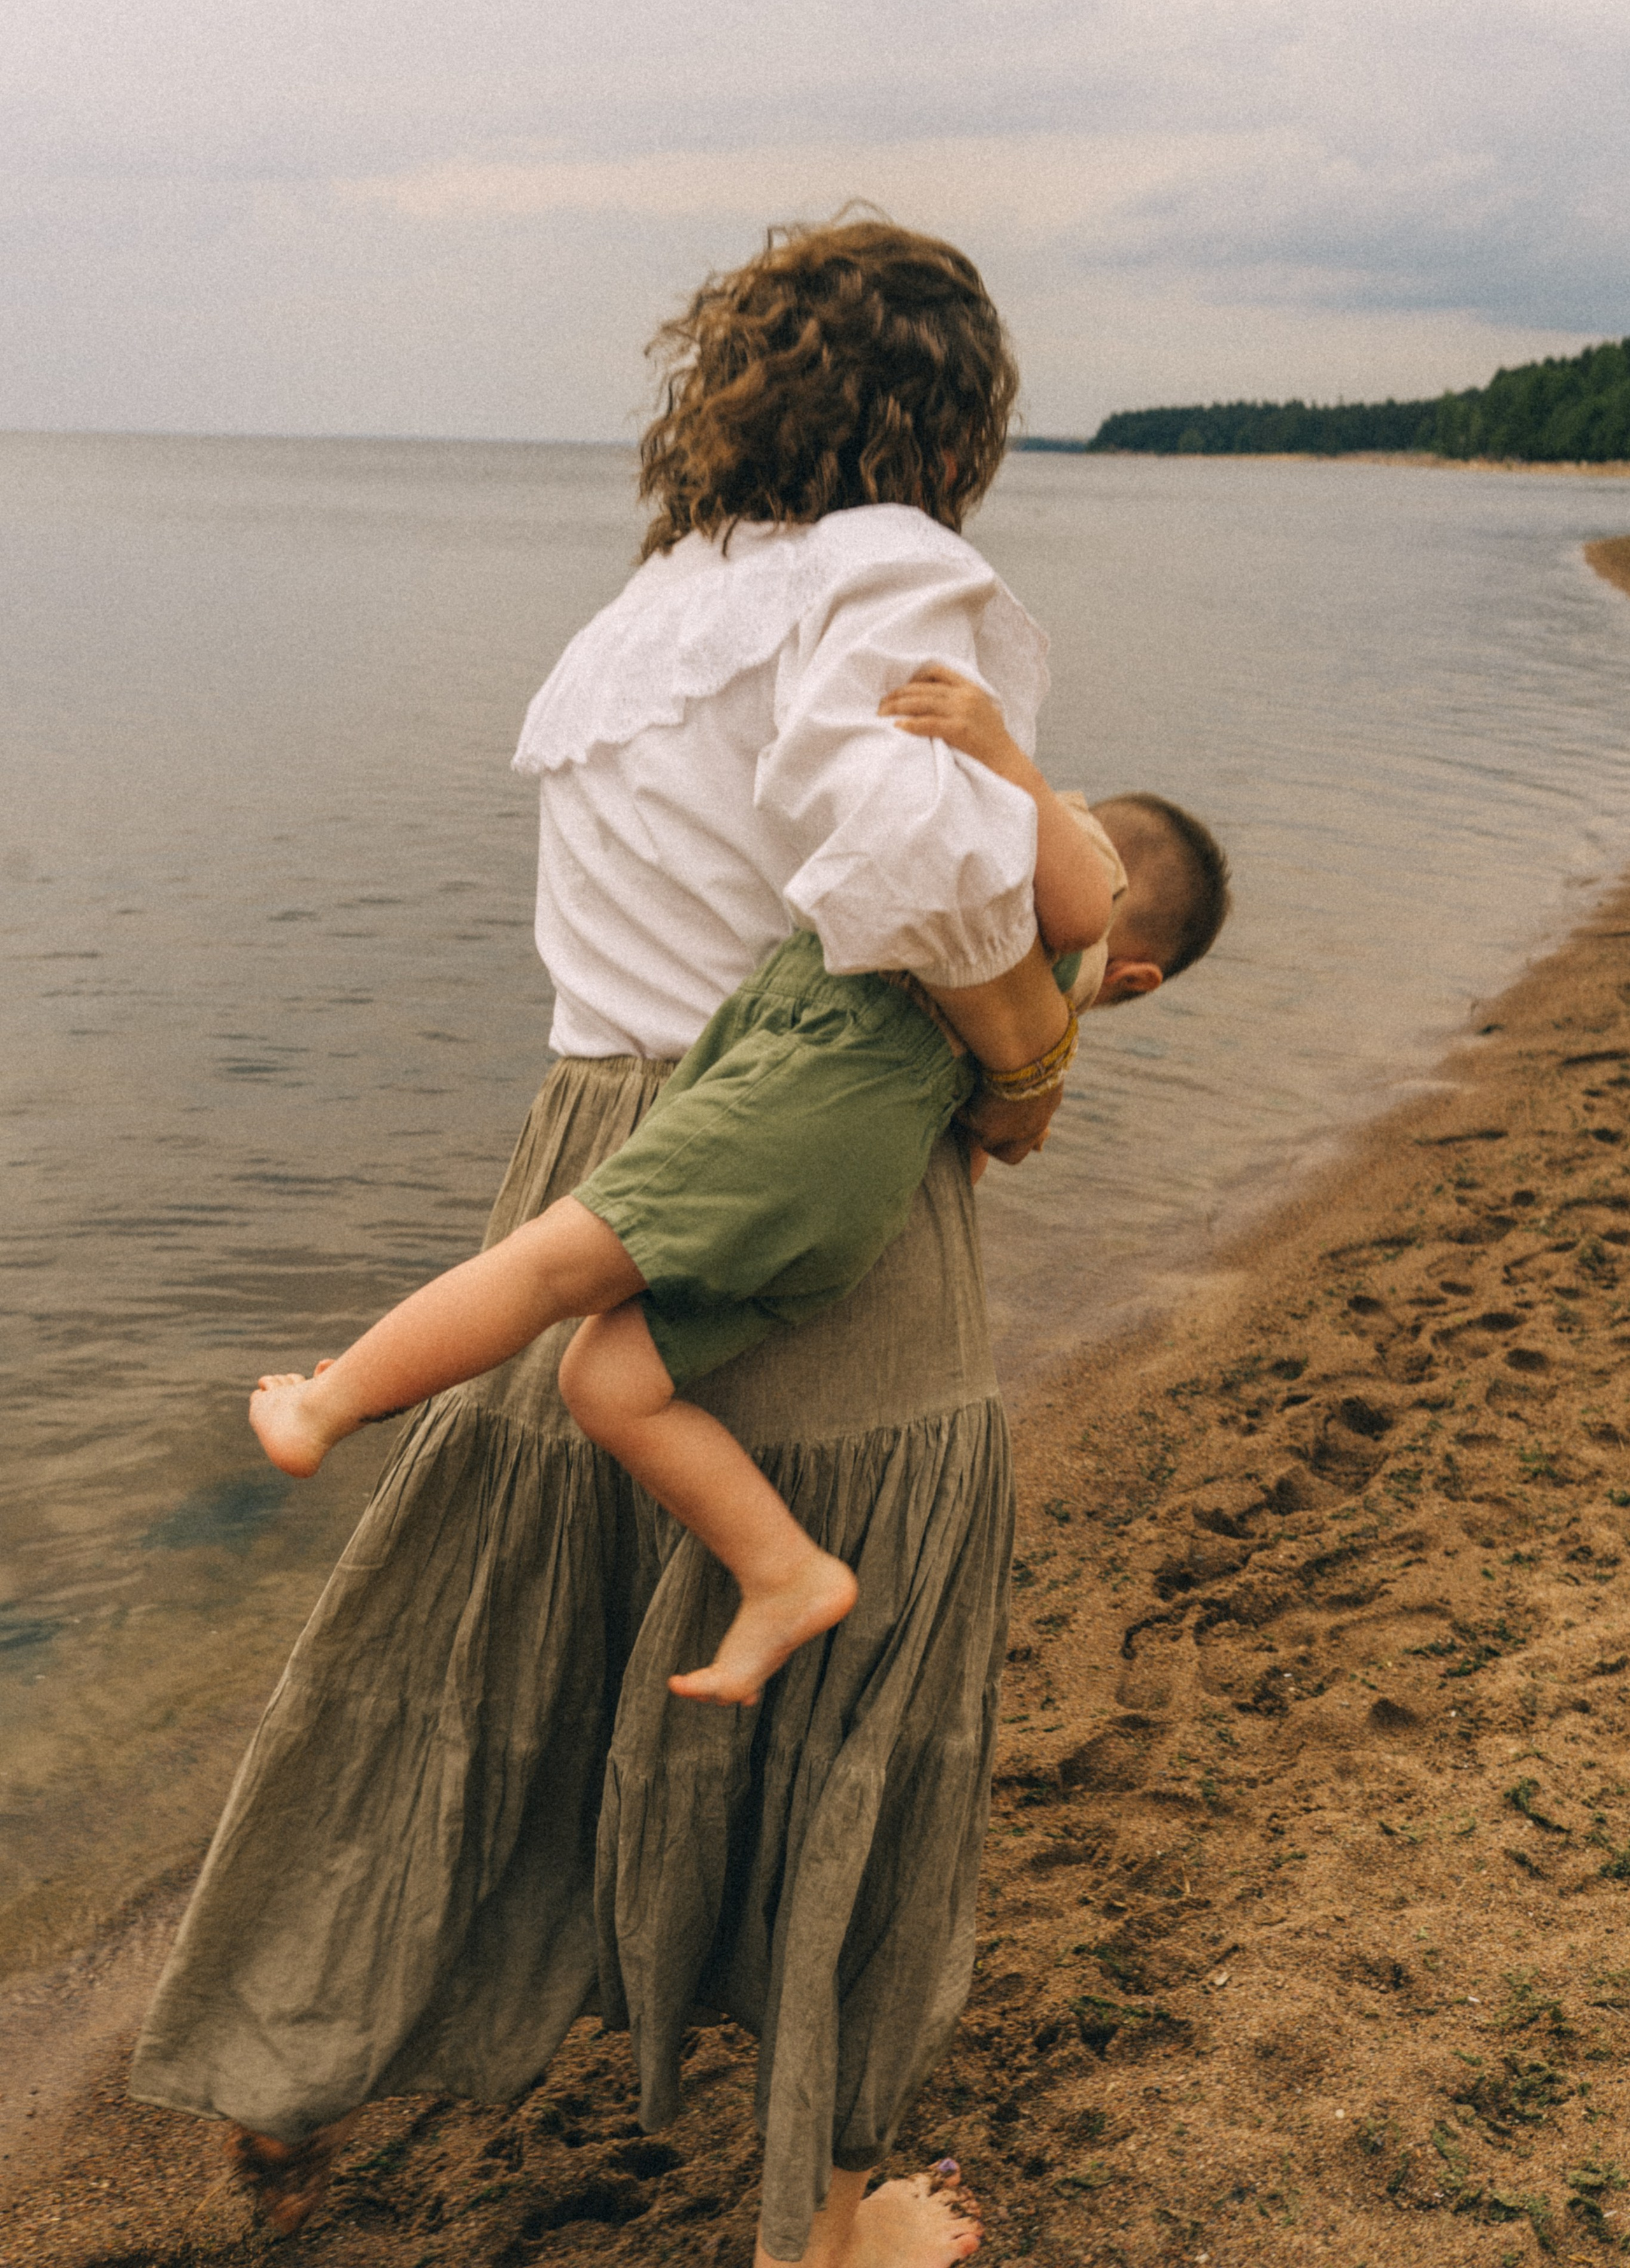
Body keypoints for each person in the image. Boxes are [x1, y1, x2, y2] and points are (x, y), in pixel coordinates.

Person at [131, 218, 1230, 2268]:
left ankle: (294, 2051)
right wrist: (1027, 1074)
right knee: (860, 1687)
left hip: (592, 1144)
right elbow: (911, 859)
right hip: (798, 1154)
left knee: (492, 1634)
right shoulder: (888, 571)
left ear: (727, 397)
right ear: (951, 419)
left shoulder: (645, 614)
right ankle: (830, 2222)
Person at [246, 671, 1223, 1708]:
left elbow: (1077, 904)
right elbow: (971, 1151)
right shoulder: (1023, 1026)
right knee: (607, 1385)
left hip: (810, 1105)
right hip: (845, 1179)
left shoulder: (1059, 852)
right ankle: (782, 1569)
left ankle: (330, 1403)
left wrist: (1008, 762)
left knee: (543, 1269)